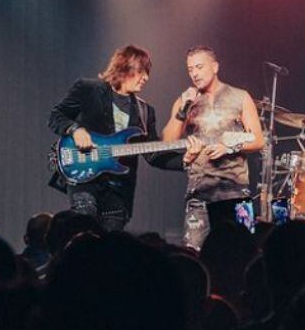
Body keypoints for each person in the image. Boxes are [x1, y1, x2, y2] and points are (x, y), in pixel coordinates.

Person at [48, 45, 185, 231]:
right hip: (84, 179)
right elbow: (56, 116)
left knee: (112, 243)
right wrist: (75, 130)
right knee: (85, 224)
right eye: (141, 71)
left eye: (148, 73)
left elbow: (153, 155)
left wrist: (187, 160)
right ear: (124, 67)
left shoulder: (145, 112)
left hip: (119, 191)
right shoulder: (88, 89)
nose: (146, 78)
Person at [162, 46, 265, 249]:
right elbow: (167, 141)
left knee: (241, 252)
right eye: (190, 69)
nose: (194, 73)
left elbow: (258, 140)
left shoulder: (240, 97)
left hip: (235, 190)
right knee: (194, 252)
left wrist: (229, 148)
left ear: (215, 67)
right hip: (199, 192)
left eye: (199, 67)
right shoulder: (185, 101)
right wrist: (183, 108)